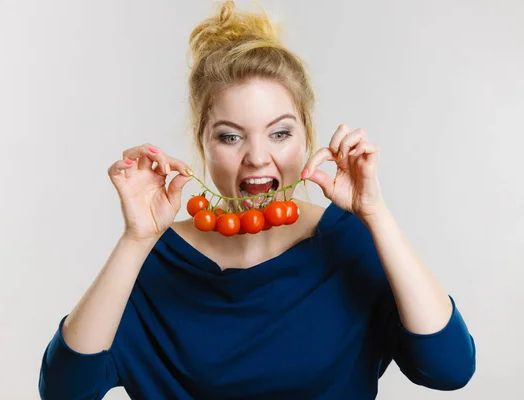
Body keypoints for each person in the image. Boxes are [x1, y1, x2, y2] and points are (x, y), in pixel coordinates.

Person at [38, 1, 476, 399]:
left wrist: (376, 215)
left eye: (280, 132)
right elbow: (64, 391)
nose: (257, 157)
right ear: (203, 144)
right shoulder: (153, 259)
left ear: (307, 136)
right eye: (230, 136)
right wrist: (135, 239)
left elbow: (449, 368)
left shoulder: (347, 243)